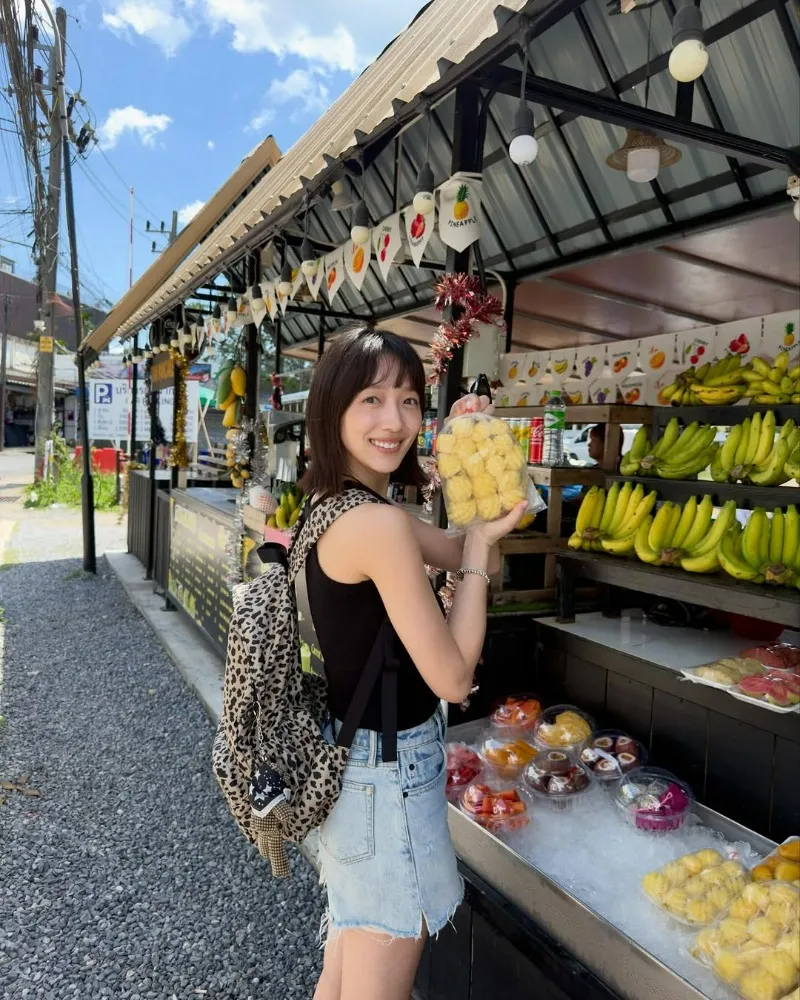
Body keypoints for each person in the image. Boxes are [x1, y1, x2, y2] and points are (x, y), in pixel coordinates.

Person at [302, 327, 526, 1000]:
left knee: (346, 962)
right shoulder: (378, 525)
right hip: (386, 777)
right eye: (371, 399)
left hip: (356, 766)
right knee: (379, 983)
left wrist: (477, 450)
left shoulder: (345, 505)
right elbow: (454, 678)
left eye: (407, 400)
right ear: (333, 409)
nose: (393, 420)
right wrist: (480, 567)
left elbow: (463, 547)